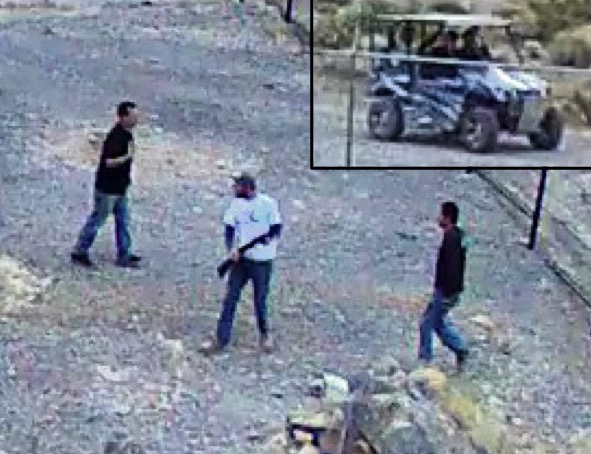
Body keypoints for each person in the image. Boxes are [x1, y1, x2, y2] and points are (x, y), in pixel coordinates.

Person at [200, 173, 283, 355]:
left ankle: (265, 334)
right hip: (242, 260)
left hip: (262, 261)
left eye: (238, 186)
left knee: (260, 299)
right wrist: (231, 250)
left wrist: (265, 240)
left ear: (248, 188)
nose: (235, 189)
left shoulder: (267, 204)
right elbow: (229, 228)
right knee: (231, 298)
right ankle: (221, 338)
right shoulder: (236, 205)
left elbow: (276, 229)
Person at [70, 101, 142, 268]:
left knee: (123, 221)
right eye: (133, 116)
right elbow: (109, 162)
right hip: (108, 189)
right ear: (123, 117)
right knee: (97, 221)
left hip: (119, 188)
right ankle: (79, 251)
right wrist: (127, 156)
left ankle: (124, 253)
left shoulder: (126, 134)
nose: (136, 120)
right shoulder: (116, 137)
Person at [418, 201, 469, 371]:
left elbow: (451, 267)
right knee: (437, 322)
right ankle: (460, 348)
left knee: (427, 323)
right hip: (451, 290)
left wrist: (444, 291)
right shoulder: (459, 236)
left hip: (446, 291)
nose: (438, 218)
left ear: (447, 218)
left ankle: (425, 360)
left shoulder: (450, 239)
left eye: (441, 215)